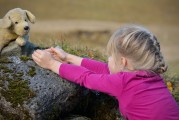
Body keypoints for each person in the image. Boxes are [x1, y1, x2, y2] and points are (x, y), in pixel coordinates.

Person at [32, 24, 179, 120]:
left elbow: (86, 78)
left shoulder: (123, 83)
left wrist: (52, 64)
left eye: (112, 57)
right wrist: (68, 57)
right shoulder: (152, 76)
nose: (108, 59)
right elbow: (106, 70)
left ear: (123, 62)